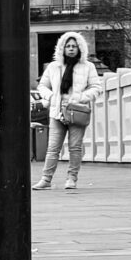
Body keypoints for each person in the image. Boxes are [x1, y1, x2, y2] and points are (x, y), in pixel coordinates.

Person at [36, 30, 99, 191]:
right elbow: (42, 86)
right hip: (57, 112)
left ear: (80, 48)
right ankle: (46, 179)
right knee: (52, 148)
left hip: (77, 111)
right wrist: (51, 97)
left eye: (74, 46)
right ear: (62, 48)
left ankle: (72, 179)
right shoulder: (53, 67)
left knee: (75, 147)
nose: (71, 49)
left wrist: (80, 98)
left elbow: (96, 87)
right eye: (68, 46)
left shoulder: (88, 67)